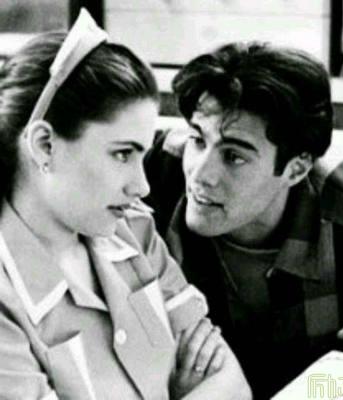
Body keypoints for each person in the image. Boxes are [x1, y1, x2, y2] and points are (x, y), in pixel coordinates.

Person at [0, 10, 251, 400]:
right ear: (44, 145)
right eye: (122, 154)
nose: (142, 186)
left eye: (142, 155)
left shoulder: (134, 231)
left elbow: (232, 385)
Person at [144, 41, 343, 398]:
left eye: (233, 157)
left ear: (296, 169)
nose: (201, 174)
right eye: (198, 140)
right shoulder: (147, 173)